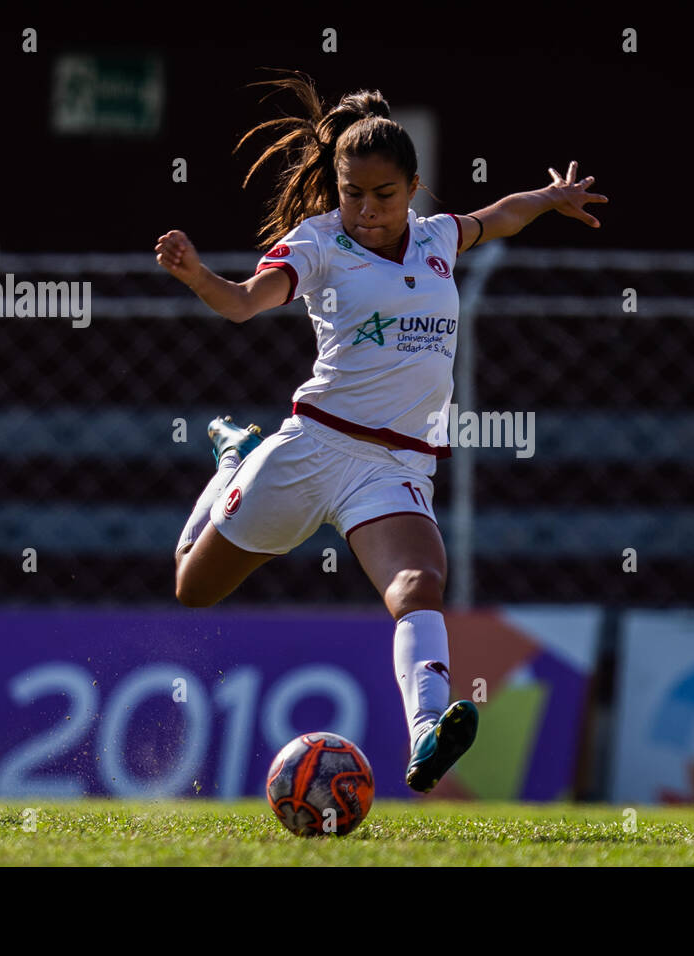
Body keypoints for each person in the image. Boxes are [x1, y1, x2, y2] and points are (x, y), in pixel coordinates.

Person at [154, 70, 607, 793]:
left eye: (384, 195)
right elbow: (243, 304)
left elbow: (502, 215)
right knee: (192, 588)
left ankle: (427, 728)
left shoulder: (436, 239)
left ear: (415, 186)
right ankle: (231, 463)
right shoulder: (319, 244)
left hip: (394, 465)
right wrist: (198, 275)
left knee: (419, 582)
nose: (367, 210)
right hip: (314, 448)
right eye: (353, 194)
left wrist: (550, 200)